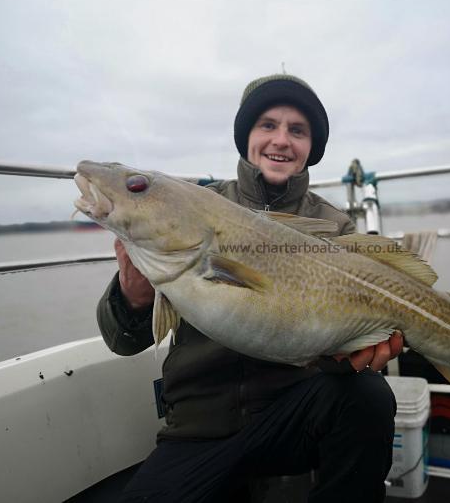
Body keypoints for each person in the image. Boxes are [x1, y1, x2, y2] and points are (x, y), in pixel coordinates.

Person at [97, 74, 403, 502]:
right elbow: (123, 342)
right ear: (246, 138)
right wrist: (132, 299)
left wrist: (349, 354)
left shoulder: (335, 229)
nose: (281, 140)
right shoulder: (191, 207)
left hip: (294, 413)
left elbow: (338, 359)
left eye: (297, 130)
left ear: (312, 146)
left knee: (368, 397)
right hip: (200, 428)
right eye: (267, 125)